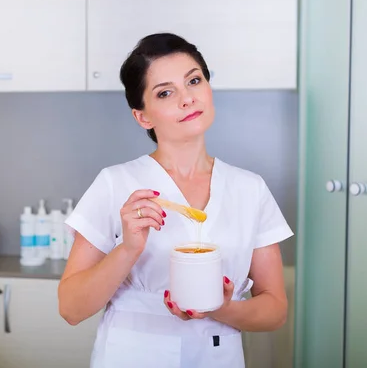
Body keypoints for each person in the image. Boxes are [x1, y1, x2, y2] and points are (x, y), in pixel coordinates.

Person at [58, 33, 293, 368]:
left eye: (194, 81)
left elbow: (275, 311)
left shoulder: (249, 189)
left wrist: (221, 308)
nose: (187, 99)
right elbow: (71, 309)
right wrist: (128, 249)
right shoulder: (115, 184)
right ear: (143, 117)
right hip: (132, 357)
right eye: (165, 92)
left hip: (218, 357)